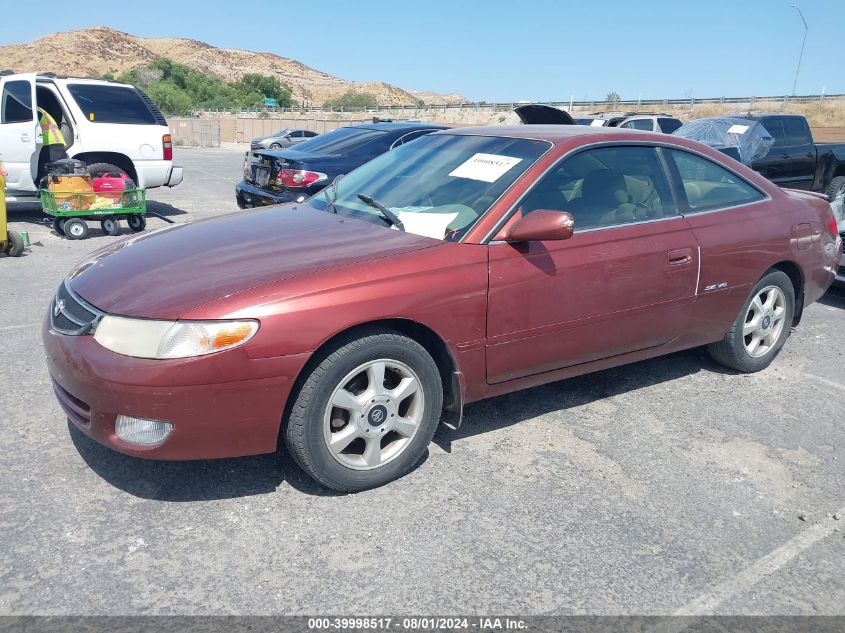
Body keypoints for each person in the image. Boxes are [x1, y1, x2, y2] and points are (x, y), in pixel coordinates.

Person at [36, 106, 68, 185]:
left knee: (45, 174)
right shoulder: (41, 111)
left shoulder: (36, 112)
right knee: (56, 174)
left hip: (50, 144)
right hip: (58, 143)